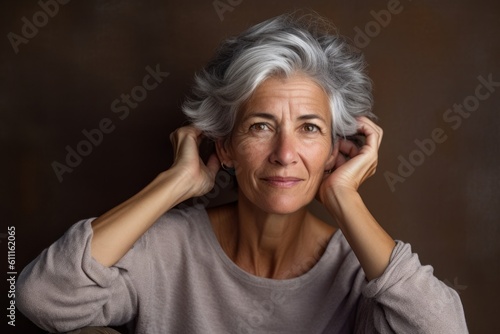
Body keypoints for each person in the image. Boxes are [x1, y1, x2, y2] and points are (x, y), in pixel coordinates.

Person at [17, 12, 468, 334]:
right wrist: (174, 183)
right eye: (261, 126)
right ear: (226, 146)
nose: (285, 153)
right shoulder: (166, 249)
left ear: (337, 149)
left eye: (309, 128)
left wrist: (345, 198)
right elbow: (39, 299)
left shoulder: (361, 273)